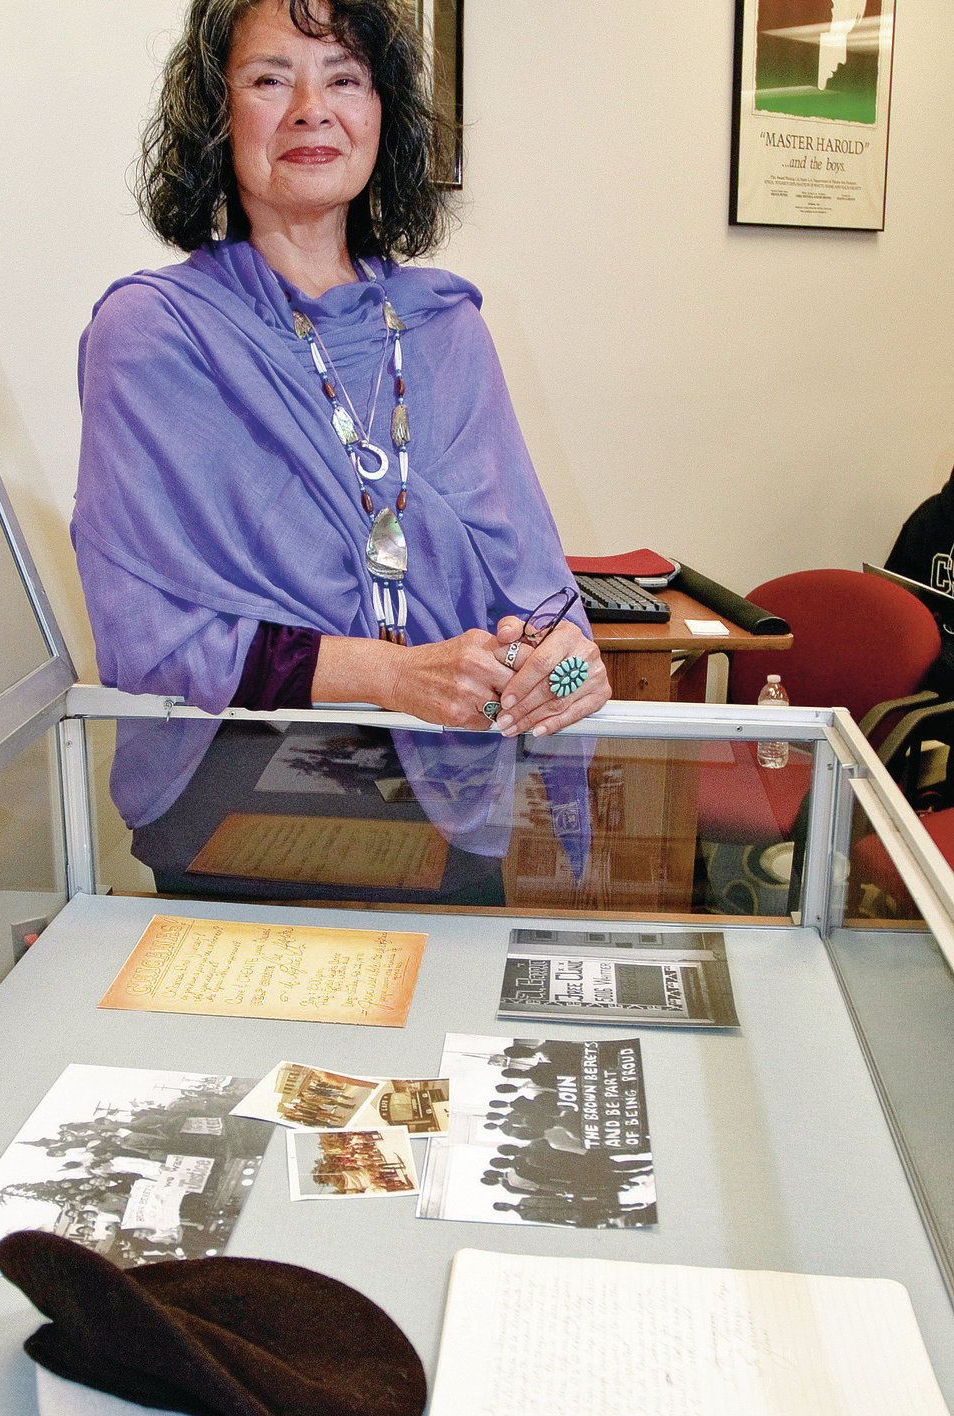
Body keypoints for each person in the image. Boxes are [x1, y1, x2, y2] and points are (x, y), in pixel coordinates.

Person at [71, 0, 609, 866]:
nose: (311, 108)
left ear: (382, 117)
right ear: (217, 116)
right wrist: (396, 676)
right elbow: (153, 641)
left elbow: (547, 612)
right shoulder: (155, 334)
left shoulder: (447, 329)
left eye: (345, 78)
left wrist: (570, 675)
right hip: (241, 786)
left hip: (463, 788)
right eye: (270, 78)